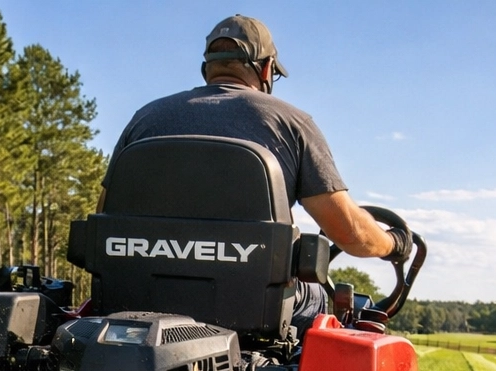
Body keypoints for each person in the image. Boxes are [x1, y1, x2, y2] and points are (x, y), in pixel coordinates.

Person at [112, 14, 412, 331]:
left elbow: (105, 210)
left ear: (207, 67)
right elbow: (349, 232)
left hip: (139, 302)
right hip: (252, 310)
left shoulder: (145, 119)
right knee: (318, 295)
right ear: (266, 68)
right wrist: (394, 243)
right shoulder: (291, 124)